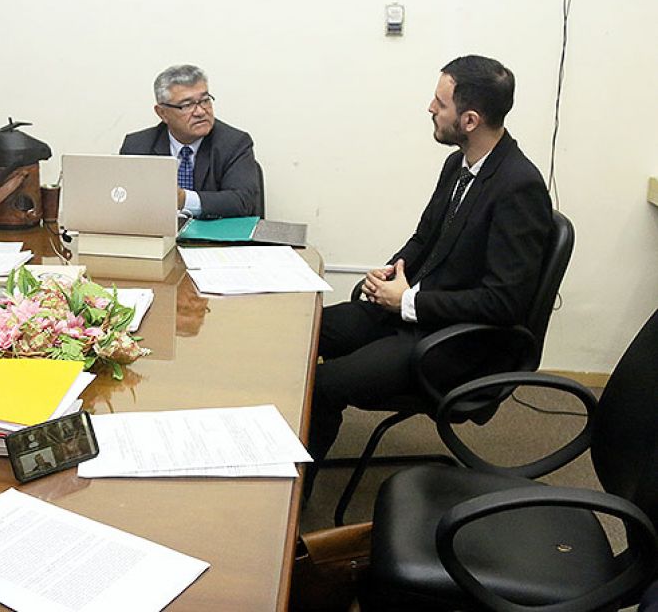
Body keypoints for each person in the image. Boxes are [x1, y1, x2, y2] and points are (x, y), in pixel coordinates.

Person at [308, 55, 553, 464]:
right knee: (304, 331)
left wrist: (408, 301)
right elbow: (425, 239)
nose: (431, 109)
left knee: (320, 385)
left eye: (440, 103)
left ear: (470, 120)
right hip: (416, 312)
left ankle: (292, 503)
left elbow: (505, 302)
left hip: (454, 341)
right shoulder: (458, 163)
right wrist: (392, 270)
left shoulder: (519, 187)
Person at [120, 64, 262, 219]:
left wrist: (183, 199)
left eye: (205, 100)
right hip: (157, 237)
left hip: (211, 239)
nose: (200, 112)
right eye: (187, 105)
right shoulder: (137, 146)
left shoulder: (234, 143)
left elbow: (243, 202)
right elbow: (124, 202)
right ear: (162, 113)